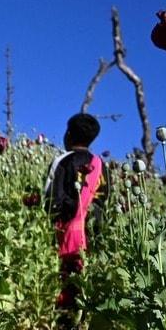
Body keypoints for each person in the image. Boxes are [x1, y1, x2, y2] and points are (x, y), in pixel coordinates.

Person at [43, 113, 109, 309]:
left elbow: (51, 200)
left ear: (69, 135)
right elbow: (103, 199)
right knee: (84, 283)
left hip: (64, 233)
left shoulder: (62, 161)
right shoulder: (100, 165)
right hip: (91, 234)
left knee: (63, 282)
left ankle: (62, 321)